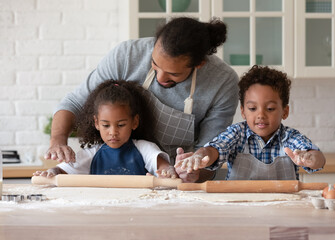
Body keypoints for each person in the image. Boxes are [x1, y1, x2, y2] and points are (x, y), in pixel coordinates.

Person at [44, 17, 239, 182]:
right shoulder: (127, 55)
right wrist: (58, 139)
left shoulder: (222, 81)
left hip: (173, 181)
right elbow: (75, 103)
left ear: (199, 65)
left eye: (172, 74)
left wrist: (192, 171)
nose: (160, 78)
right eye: (155, 65)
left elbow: (211, 150)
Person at [174, 65, 326, 180]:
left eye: (270, 108)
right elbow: (215, 148)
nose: (260, 115)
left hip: (283, 210)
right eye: (253, 108)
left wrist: (310, 158)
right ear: (243, 111)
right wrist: (200, 156)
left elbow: (318, 159)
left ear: (284, 111)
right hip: (239, 210)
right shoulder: (236, 134)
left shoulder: (290, 138)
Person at [35, 80, 177, 178]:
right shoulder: (91, 155)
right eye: (106, 125)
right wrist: (51, 172)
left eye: (121, 125)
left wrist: (168, 172)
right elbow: (61, 170)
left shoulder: (145, 149)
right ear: (96, 123)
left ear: (134, 122)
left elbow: (164, 167)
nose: (113, 132)